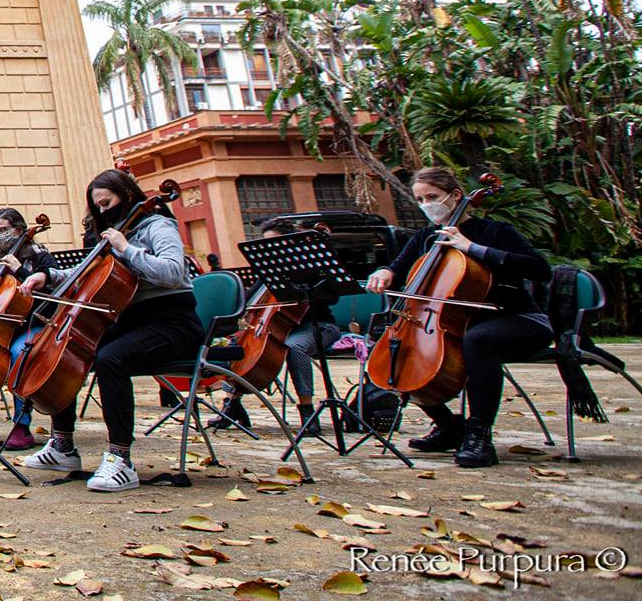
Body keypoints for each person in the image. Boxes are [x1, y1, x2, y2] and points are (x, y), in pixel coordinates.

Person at [17, 169, 197, 492]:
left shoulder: (158, 225)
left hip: (174, 323)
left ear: (126, 195)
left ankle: (120, 460)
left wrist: (127, 249)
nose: (102, 211)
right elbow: (85, 271)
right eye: (97, 207)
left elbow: (173, 271)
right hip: (136, 322)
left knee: (111, 358)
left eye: (106, 203)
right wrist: (48, 277)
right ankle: (63, 446)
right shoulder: (117, 233)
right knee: (74, 349)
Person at [365, 167, 552, 468]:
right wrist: (384, 272)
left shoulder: (494, 232)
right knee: (394, 349)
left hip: (516, 319)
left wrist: (472, 248)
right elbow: (397, 267)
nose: (427, 204)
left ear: (454, 196)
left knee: (479, 340)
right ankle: (449, 425)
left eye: (433, 197)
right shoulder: (427, 238)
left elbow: (541, 270)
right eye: (421, 199)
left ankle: (479, 434)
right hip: (454, 324)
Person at [207, 220, 339, 436]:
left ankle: (307, 411)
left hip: (318, 326)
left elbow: (332, 299)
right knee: (236, 346)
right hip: (274, 329)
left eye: (276, 243)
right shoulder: (270, 269)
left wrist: (303, 289)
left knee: (295, 347)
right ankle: (231, 405)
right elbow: (249, 300)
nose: (271, 249)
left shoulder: (308, 266)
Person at [0, 207, 55, 451]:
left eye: (3, 230)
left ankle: (21, 425)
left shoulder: (39, 254)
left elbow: (52, 294)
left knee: (18, 353)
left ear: (19, 230)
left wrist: (20, 270)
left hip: (35, 323)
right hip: (3, 324)